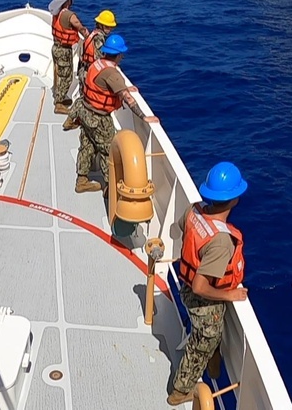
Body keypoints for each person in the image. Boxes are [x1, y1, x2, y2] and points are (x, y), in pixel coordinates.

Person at [166, 162, 249, 406]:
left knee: (209, 340)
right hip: (202, 302)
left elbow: (183, 228)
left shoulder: (195, 211)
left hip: (185, 287)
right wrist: (230, 295)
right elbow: (202, 286)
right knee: (203, 342)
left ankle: (212, 364)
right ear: (234, 199)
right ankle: (180, 391)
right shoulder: (222, 241)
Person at [74, 34, 158, 193]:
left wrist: (124, 87)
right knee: (108, 152)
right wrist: (143, 117)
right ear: (119, 55)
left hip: (85, 111)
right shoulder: (113, 74)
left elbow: (105, 86)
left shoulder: (96, 63)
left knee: (87, 146)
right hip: (99, 118)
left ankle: (82, 180)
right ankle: (111, 188)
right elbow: (127, 98)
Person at [49, 0, 89, 115]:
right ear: (67, 0)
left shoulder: (56, 13)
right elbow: (77, 25)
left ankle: (59, 96)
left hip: (55, 47)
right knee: (66, 77)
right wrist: (85, 32)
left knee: (60, 74)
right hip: (64, 50)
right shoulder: (68, 15)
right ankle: (59, 104)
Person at [78, 9, 117, 87]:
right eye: (107, 27)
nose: (109, 30)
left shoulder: (93, 33)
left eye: (111, 27)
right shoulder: (99, 38)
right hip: (89, 72)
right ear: (100, 25)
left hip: (84, 69)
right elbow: (99, 58)